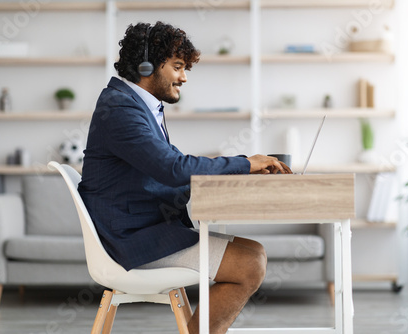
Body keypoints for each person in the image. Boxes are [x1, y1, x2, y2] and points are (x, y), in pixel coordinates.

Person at [78, 21, 292, 334]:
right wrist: (245, 163)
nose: (184, 77)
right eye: (178, 67)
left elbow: (172, 167)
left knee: (253, 253)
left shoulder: (138, 105)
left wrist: (238, 172)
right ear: (147, 65)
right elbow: (174, 168)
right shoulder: (122, 108)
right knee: (251, 262)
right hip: (131, 242)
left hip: (141, 230)